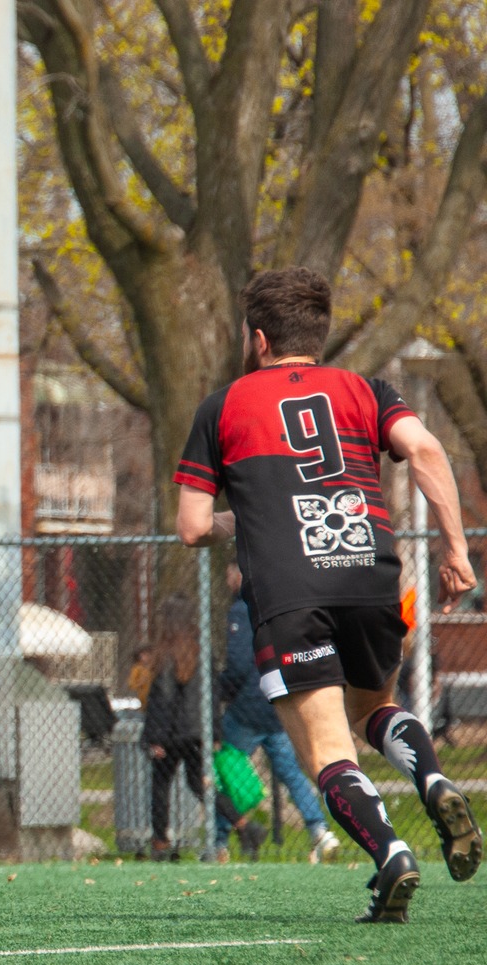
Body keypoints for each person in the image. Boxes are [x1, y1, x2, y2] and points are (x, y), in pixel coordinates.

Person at [175, 266, 479, 921]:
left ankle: (392, 852)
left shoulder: (222, 407)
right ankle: (431, 777)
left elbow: (193, 527)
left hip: (290, 589)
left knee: (326, 749)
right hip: (371, 571)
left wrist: (241, 517)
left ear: (259, 339)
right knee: (376, 706)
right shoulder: (366, 390)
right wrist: (455, 548)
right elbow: (426, 450)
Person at [214, 560, 341, 863]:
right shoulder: (278, 604)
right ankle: (319, 830)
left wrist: (223, 691)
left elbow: (240, 664)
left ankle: (220, 838)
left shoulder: (241, 610)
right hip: (278, 701)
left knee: (228, 767)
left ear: (241, 574)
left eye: (231, 572)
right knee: (290, 772)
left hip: (248, 707)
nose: (228, 579)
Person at [140, 594, 252, 860]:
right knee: (199, 784)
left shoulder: (165, 654)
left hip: (171, 734)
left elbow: (163, 700)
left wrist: (153, 738)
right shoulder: (201, 650)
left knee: (160, 784)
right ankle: (245, 826)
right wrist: (214, 732)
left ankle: (160, 842)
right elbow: (213, 693)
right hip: (196, 732)